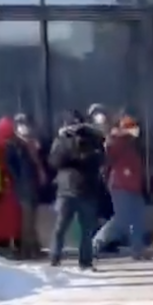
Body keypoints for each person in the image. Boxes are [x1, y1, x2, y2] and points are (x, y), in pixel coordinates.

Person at [47, 116, 103, 270]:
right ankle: (54, 258)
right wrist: (70, 147)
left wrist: (86, 151)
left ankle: (85, 262)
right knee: (60, 227)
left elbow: (99, 159)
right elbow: (54, 161)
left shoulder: (92, 139)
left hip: (87, 190)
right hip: (66, 191)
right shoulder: (62, 141)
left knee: (87, 230)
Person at [94, 115, 149, 260]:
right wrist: (116, 134)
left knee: (138, 218)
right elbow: (108, 149)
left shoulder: (132, 143)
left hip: (134, 186)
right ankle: (96, 244)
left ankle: (138, 250)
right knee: (121, 219)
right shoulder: (118, 141)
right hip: (121, 186)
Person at [4, 114, 47, 259]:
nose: (25, 127)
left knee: (32, 218)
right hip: (23, 186)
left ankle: (34, 247)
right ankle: (26, 250)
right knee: (26, 220)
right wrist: (18, 181)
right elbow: (11, 166)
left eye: (26, 124)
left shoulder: (32, 143)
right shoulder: (13, 144)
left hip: (33, 185)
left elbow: (39, 163)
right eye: (21, 124)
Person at [0, 117, 24, 255]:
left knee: (0, 221)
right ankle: (11, 245)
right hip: (7, 187)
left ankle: (3, 245)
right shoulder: (12, 146)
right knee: (11, 219)